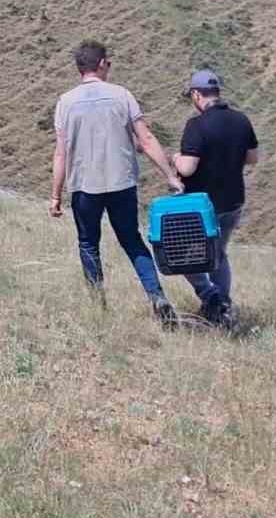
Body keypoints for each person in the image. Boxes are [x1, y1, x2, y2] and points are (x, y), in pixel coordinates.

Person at [49, 41, 186, 325]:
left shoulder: (66, 102)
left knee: (88, 243)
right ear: (100, 64)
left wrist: (55, 196)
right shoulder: (121, 95)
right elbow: (146, 140)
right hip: (121, 182)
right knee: (132, 240)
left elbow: (61, 153)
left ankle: (98, 304)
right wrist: (170, 176)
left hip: (85, 186)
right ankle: (156, 295)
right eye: (108, 63)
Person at [172, 70, 260, 329]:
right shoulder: (241, 120)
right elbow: (253, 158)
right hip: (233, 201)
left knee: (183, 255)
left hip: (201, 206)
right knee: (218, 253)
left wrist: (175, 158)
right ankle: (222, 308)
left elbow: (187, 168)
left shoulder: (196, 125)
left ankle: (213, 299)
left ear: (197, 94)